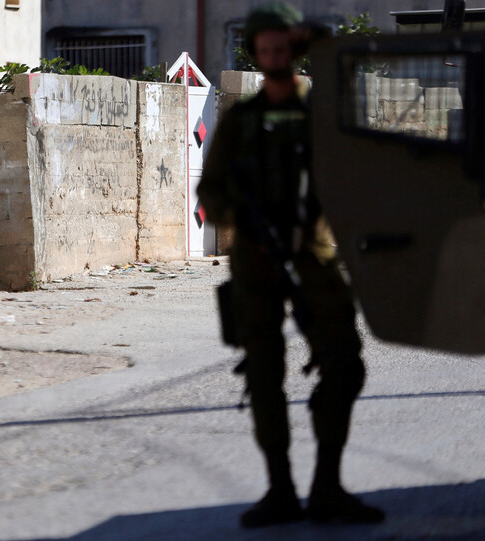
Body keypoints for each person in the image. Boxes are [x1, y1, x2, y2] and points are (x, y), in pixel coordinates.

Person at [197, 2, 384, 528]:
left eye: (284, 48)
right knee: (263, 373)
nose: (275, 58)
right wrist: (244, 222)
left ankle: (327, 486)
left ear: (295, 49)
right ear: (255, 55)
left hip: (317, 255)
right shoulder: (242, 121)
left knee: (344, 362)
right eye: (266, 50)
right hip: (256, 260)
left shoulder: (324, 112)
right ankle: (280, 489)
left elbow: (356, 175)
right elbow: (210, 189)